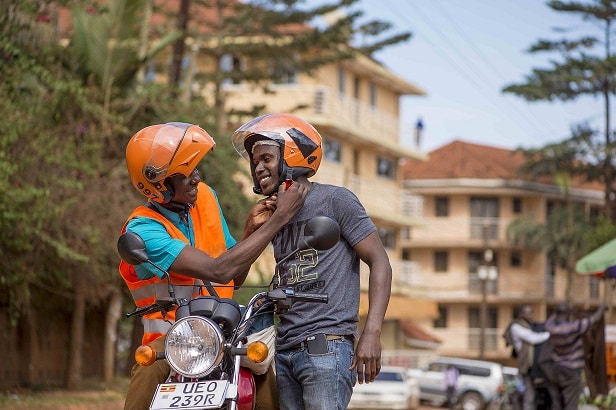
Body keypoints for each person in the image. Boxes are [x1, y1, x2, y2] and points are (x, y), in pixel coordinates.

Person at [119, 122, 307, 410]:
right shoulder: (144, 229)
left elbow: (233, 278)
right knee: (147, 371)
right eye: (186, 174)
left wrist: (251, 231)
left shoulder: (205, 197)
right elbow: (219, 270)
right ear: (160, 184)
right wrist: (281, 217)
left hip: (225, 334)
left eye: (196, 169)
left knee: (265, 377)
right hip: (173, 342)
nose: (196, 178)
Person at [231, 113, 393, 410]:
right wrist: (251, 228)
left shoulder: (335, 201)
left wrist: (371, 332)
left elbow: (380, 262)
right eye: (255, 162)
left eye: (266, 158)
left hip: (326, 348)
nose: (258, 168)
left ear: (292, 155)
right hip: (284, 349)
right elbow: (233, 279)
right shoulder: (273, 215)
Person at [544, 302, 607, 410]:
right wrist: (601, 308)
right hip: (571, 370)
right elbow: (593, 320)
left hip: (557, 369)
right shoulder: (572, 328)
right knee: (571, 402)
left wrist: (557, 313)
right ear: (568, 314)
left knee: (558, 402)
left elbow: (550, 320)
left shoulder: (551, 328)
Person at [502, 304, 550, 410]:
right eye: (527, 312)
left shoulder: (529, 326)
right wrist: (550, 334)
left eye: (531, 312)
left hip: (534, 367)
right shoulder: (516, 326)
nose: (530, 315)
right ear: (521, 314)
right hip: (526, 366)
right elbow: (532, 338)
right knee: (529, 396)